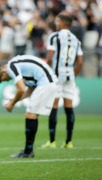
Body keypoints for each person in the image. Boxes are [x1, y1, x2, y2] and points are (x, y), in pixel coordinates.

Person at [0, 55, 58, 158]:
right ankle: (28, 150)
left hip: (46, 83)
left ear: (3, 72)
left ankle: (28, 152)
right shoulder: (19, 66)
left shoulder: (11, 67)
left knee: (30, 115)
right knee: (32, 115)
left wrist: (12, 104)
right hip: (49, 82)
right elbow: (30, 89)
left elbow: (21, 89)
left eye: (5, 79)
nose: (8, 80)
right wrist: (16, 99)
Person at [41, 14, 83, 149]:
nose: (56, 23)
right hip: (70, 76)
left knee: (54, 107)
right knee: (69, 108)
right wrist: (74, 76)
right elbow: (80, 62)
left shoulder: (54, 36)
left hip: (56, 75)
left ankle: (52, 141)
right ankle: (68, 142)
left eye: (58, 21)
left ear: (64, 24)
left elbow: (50, 57)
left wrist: (47, 74)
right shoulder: (76, 40)